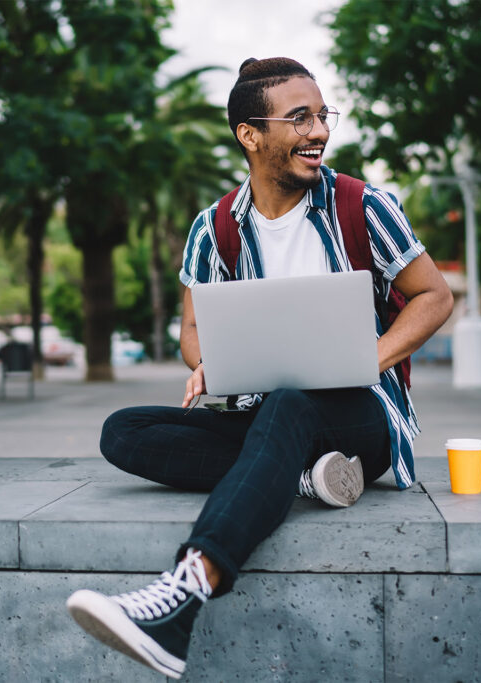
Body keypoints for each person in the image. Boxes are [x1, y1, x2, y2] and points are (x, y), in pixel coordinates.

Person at [66, 57, 454, 679]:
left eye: (322, 115)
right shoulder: (212, 228)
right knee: (124, 430)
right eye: (299, 118)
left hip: (362, 422)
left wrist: (362, 360)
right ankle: (304, 479)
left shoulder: (364, 205)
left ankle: (185, 592)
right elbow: (193, 336)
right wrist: (210, 364)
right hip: (263, 417)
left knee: (292, 403)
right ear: (251, 134)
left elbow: (435, 296)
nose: (319, 130)